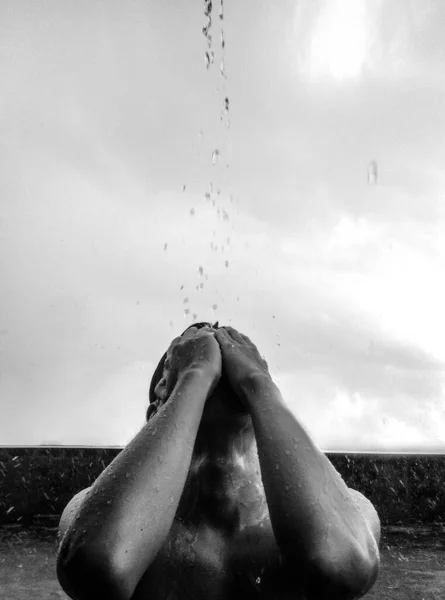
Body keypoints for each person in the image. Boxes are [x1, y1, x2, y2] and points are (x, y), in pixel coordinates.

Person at [57, 322, 381, 600]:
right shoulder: (93, 509)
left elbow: (343, 566)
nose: (219, 351)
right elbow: (96, 568)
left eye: (237, 354)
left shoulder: (346, 509)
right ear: (161, 396)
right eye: (193, 353)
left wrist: (258, 383)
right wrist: (196, 377)